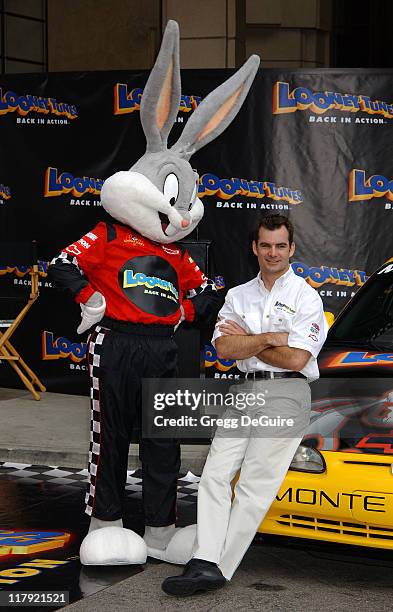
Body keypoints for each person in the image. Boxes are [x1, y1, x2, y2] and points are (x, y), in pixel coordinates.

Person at [162, 213, 328, 596]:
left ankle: (219, 568)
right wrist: (272, 338)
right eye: (266, 245)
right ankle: (204, 558)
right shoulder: (237, 295)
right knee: (215, 474)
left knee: (253, 486)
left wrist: (250, 339)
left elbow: (297, 360)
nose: (273, 253)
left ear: (292, 249)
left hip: (287, 392)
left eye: (280, 246)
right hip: (245, 390)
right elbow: (224, 348)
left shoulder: (306, 296)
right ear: (255, 248)